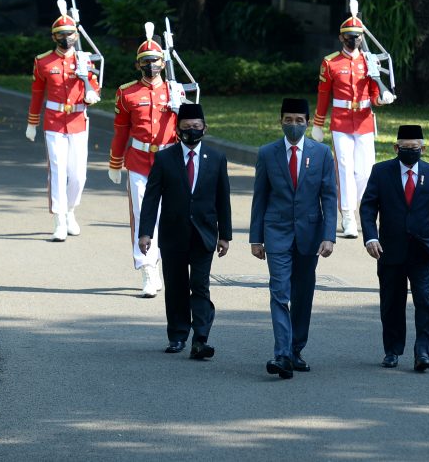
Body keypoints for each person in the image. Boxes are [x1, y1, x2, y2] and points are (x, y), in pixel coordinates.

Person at [250, 98, 337, 379]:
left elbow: (328, 196)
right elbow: (260, 198)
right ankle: (282, 354)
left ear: (308, 123)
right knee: (279, 293)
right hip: (276, 233)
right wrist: (256, 238)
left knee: (303, 295)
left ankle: (296, 349)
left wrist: (329, 236)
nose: (294, 125)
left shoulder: (322, 154)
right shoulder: (267, 153)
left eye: (300, 120)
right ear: (280, 121)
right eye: (289, 119)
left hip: (310, 235)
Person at [138, 103, 232, 358]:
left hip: (204, 234)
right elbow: (151, 197)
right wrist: (145, 232)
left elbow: (223, 199)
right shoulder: (164, 158)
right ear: (177, 130)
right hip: (173, 234)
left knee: (199, 285)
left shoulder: (216, 158)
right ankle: (178, 335)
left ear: (204, 128)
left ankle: (200, 338)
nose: (191, 131)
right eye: (186, 127)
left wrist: (225, 234)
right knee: (176, 286)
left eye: (196, 127)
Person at [359, 125, 429, 373]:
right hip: (389, 249)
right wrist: (370, 238)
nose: (410, 152)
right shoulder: (381, 172)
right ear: (396, 148)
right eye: (405, 148)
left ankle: (423, 351)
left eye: (415, 148)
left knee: (423, 300)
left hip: (422, 250)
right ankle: (392, 350)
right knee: (391, 302)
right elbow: (368, 208)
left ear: (423, 148)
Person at [311, 14, 395, 238]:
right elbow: (323, 95)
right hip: (341, 120)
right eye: (349, 37)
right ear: (341, 37)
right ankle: (348, 215)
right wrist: (318, 123)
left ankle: (358, 206)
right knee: (345, 168)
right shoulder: (331, 63)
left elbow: (375, 93)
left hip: (365, 120)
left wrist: (382, 99)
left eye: (357, 37)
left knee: (366, 171)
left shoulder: (370, 61)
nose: (354, 40)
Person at [109, 32, 177, 298]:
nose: (151, 65)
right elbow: (120, 131)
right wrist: (115, 162)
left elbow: (191, 128)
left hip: (168, 162)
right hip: (138, 162)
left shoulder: (175, 90)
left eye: (155, 60)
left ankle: (164, 264)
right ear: (138, 65)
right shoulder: (127, 93)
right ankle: (148, 268)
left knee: (169, 217)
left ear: (163, 62)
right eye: (146, 61)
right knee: (142, 215)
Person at [25, 8, 100, 241]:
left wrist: (93, 94)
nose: (66, 38)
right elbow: (37, 94)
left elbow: (94, 85)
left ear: (76, 36)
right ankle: (59, 218)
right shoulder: (43, 61)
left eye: (70, 34)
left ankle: (70, 210)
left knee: (78, 175)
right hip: (54, 122)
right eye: (61, 34)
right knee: (57, 170)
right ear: (53, 37)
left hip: (78, 120)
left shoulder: (84, 59)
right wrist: (32, 122)